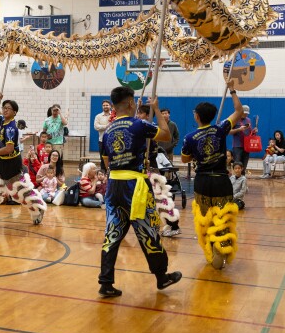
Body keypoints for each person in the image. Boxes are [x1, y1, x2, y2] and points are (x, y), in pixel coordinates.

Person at [98, 87, 180, 296]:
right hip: (135, 187)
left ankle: (106, 282)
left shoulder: (108, 130)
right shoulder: (138, 124)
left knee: (112, 234)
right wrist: (156, 109)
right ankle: (161, 277)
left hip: (113, 185)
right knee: (148, 232)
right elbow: (165, 135)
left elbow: (106, 160)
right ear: (131, 103)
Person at [180, 81, 243, 270]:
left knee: (205, 218)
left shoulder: (190, 137)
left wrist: (197, 154)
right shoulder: (220, 129)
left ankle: (211, 248)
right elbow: (239, 111)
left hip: (202, 181)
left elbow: (184, 159)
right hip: (222, 181)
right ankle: (221, 249)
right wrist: (232, 89)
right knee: (222, 218)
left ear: (197, 116)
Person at [0, 95, 46, 226]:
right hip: (1, 162)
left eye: (9, 108)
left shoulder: (11, 128)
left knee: (20, 191)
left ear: (14, 112)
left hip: (12, 163)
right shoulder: (2, 120)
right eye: (4, 107)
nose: (5, 110)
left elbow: (9, 149)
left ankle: (38, 208)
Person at [93, 100, 112, 170]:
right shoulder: (98, 116)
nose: (105, 107)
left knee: (112, 158)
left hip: (113, 141)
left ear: (110, 106)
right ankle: (103, 174)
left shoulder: (114, 115)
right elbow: (96, 127)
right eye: (104, 105)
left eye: (107, 105)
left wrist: (103, 126)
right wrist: (107, 126)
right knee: (102, 158)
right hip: (102, 141)